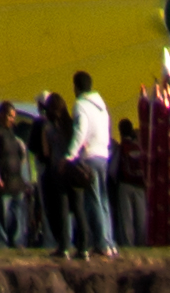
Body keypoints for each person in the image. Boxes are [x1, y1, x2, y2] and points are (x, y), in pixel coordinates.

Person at [67, 79, 115, 260]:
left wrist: (71, 154)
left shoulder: (81, 105)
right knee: (103, 200)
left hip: (90, 156)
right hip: (104, 155)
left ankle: (102, 244)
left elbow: (81, 130)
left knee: (93, 200)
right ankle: (109, 242)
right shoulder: (102, 107)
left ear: (77, 87)